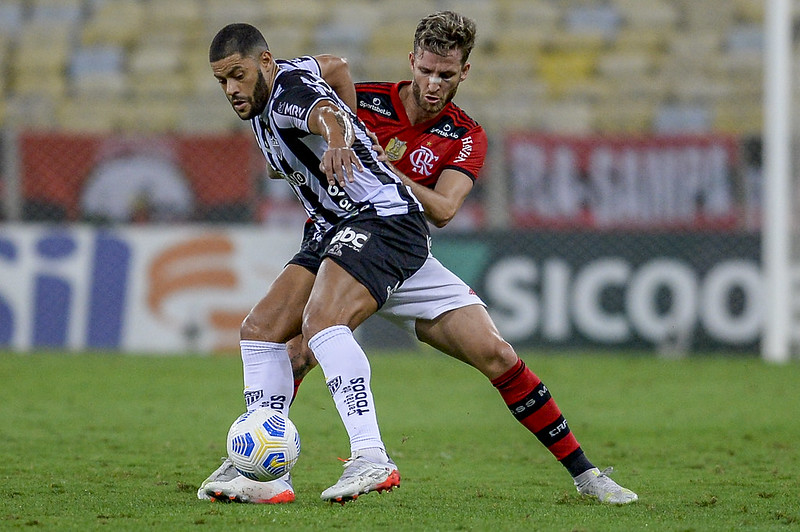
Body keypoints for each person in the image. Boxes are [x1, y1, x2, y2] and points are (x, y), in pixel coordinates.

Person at [199, 13, 638, 506]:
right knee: (272, 334)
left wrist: (352, 148)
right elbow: (334, 73)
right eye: (427, 70)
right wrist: (326, 147)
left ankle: (586, 475)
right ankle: (260, 464)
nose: (434, 82)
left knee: (494, 355)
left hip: (392, 233)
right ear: (412, 63)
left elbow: (445, 208)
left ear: (463, 73)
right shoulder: (364, 99)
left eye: (446, 74)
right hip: (343, 234)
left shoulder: (465, 134)